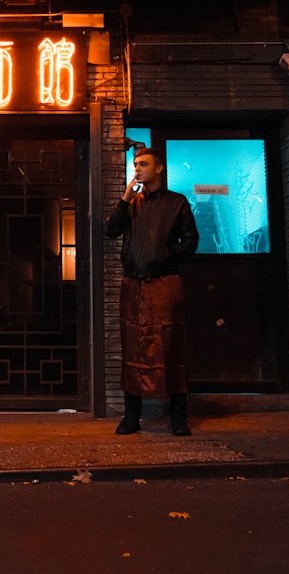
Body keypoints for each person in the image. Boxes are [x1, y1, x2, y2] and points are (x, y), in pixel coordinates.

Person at [103, 147, 199, 436]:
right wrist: (124, 198)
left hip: (165, 283)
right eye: (135, 165)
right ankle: (132, 416)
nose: (138, 169)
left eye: (143, 164)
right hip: (133, 284)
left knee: (170, 344)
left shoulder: (176, 202)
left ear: (158, 169)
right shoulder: (132, 203)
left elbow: (191, 241)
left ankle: (178, 416)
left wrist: (166, 257)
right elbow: (110, 231)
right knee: (133, 346)